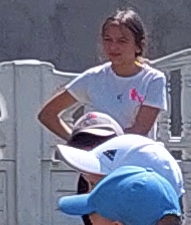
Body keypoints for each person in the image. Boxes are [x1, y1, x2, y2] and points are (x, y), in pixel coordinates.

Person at [36, 9, 168, 143]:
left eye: (122, 41)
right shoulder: (92, 78)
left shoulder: (153, 80)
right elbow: (47, 114)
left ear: (138, 46)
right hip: (98, 155)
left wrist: (103, 144)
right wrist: (79, 142)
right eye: (108, 40)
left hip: (134, 154)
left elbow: (139, 131)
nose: (113, 47)